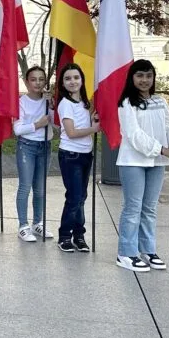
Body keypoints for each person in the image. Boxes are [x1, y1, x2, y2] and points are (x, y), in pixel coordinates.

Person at [115, 59, 169, 272]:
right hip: (133, 161)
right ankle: (126, 252)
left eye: (148, 76)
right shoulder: (126, 102)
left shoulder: (160, 101)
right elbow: (134, 135)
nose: (144, 80)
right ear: (132, 78)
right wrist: (162, 149)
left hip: (157, 162)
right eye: (140, 76)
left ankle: (147, 249)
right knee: (133, 208)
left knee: (149, 208)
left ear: (153, 78)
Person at [55, 63, 99, 253]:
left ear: (82, 80)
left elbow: (85, 124)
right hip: (70, 155)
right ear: (63, 84)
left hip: (85, 154)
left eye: (76, 77)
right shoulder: (65, 104)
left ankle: (79, 235)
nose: (72, 81)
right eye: (67, 78)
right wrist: (94, 129)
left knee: (81, 196)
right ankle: (65, 235)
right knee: (74, 197)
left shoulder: (85, 103)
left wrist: (93, 119)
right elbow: (71, 132)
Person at [13, 66, 55, 242]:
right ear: (26, 81)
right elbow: (17, 129)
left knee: (40, 188)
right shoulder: (22, 101)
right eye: (33, 79)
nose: (37, 83)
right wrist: (37, 125)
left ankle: (38, 222)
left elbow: (56, 124)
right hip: (27, 147)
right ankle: (23, 225)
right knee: (25, 186)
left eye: (41, 79)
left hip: (44, 146)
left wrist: (51, 105)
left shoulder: (47, 101)